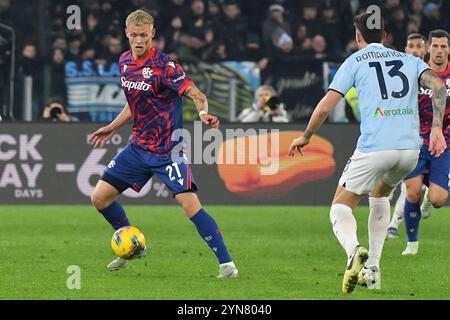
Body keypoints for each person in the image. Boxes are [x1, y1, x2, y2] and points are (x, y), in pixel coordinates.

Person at [288, 12, 446, 294]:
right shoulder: (410, 60)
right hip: (410, 149)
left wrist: (306, 136)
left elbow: (325, 107)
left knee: (340, 206)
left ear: (358, 37)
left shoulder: (354, 61)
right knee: (380, 194)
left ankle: (353, 251)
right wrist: (436, 128)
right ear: (385, 36)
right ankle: (373, 270)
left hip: (375, 147)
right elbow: (438, 87)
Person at [88, 10, 238, 278]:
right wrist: (112, 127)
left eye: (143, 35)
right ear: (126, 34)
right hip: (138, 147)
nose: (138, 40)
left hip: (168, 150)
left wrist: (203, 114)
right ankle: (132, 246)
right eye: (133, 35)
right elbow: (134, 102)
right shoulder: (124, 62)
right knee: (99, 197)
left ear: (152, 34)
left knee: (190, 205)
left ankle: (227, 265)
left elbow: (196, 94)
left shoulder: (165, 66)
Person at [400, 29, 450, 256]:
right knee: (411, 192)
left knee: (439, 199)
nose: (439, 51)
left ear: (448, 49)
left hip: (444, 142)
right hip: (416, 140)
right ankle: (412, 242)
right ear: (428, 48)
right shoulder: (417, 72)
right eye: (435, 46)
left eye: (444, 46)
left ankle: (431, 196)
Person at [387, 33, 432, 239]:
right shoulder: (398, 76)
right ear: (405, 50)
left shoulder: (433, 76)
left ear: (425, 50)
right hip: (401, 135)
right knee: (392, 184)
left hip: (429, 138)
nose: (415, 50)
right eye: (411, 46)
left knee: (410, 186)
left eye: (419, 46)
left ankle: (393, 225)